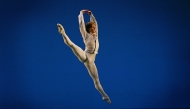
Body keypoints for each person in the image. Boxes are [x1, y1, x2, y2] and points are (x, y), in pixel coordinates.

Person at [57, 9, 111, 104]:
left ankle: (104, 96)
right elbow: (81, 25)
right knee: (72, 45)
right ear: (89, 29)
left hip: (91, 62)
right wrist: (81, 14)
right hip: (85, 56)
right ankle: (63, 33)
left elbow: (96, 24)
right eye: (92, 28)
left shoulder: (96, 35)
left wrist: (91, 15)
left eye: (94, 28)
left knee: (96, 80)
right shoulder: (86, 35)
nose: (94, 29)